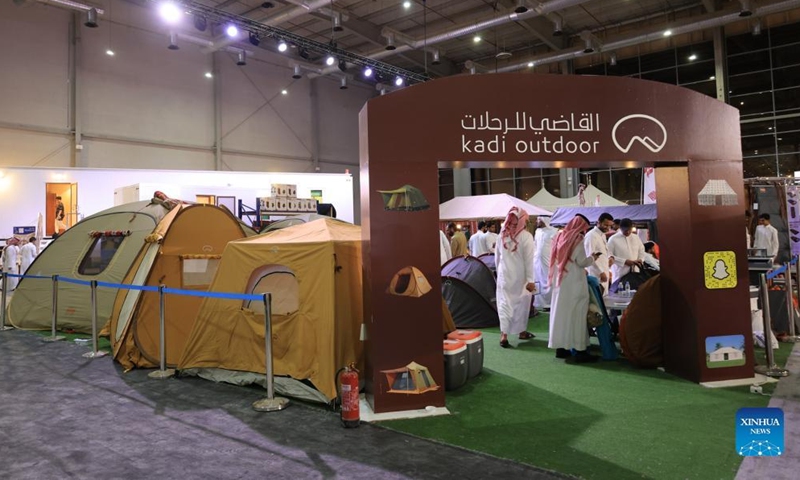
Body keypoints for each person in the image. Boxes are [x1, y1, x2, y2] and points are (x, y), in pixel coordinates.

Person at [548, 215, 603, 363]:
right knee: (578, 315)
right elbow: (581, 261)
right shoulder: (577, 239)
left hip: (560, 282)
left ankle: (561, 348)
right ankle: (580, 351)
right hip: (574, 284)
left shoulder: (560, 237)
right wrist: (593, 257)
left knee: (561, 315)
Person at [496, 207, 536, 348]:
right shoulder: (526, 236)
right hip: (521, 277)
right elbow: (529, 260)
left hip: (504, 276)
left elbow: (497, 258)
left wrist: (500, 273)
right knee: (521, 305)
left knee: (504, 304)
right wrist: (531, 280)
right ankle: (521, 331)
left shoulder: (501, 235)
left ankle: (504, 335)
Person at [607, 218, 645, 288]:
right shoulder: (613, 239)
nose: (627, 232)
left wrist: (640, 260)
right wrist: (624, 261)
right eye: (624, 230)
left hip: (635, 272)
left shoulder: (636, 237)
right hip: (620, 272)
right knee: (619, 294)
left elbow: (641, 250)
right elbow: (609, 255)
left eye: (629, 230)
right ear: (620, 228)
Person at [584, 212, 614, 295]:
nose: (608, 228)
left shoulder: (602, 235)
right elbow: (590, 256)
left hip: (604, 270)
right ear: (598, 223)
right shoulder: (591, 236)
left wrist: (610, 257)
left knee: (603, 299)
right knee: (596, 300)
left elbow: (604, 252)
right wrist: (600, 272)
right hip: (596, 273)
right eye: (606, 225)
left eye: (610, 226)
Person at [533, 216, 558, 309]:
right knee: (538, 280)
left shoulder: (554, 231)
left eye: (539, 219)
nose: (537, 221)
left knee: (550, 281)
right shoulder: (537, 231)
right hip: (538, 261)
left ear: (544, 220)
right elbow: (535, 245)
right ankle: (540, 303)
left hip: (549, 261)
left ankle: (550, 303)